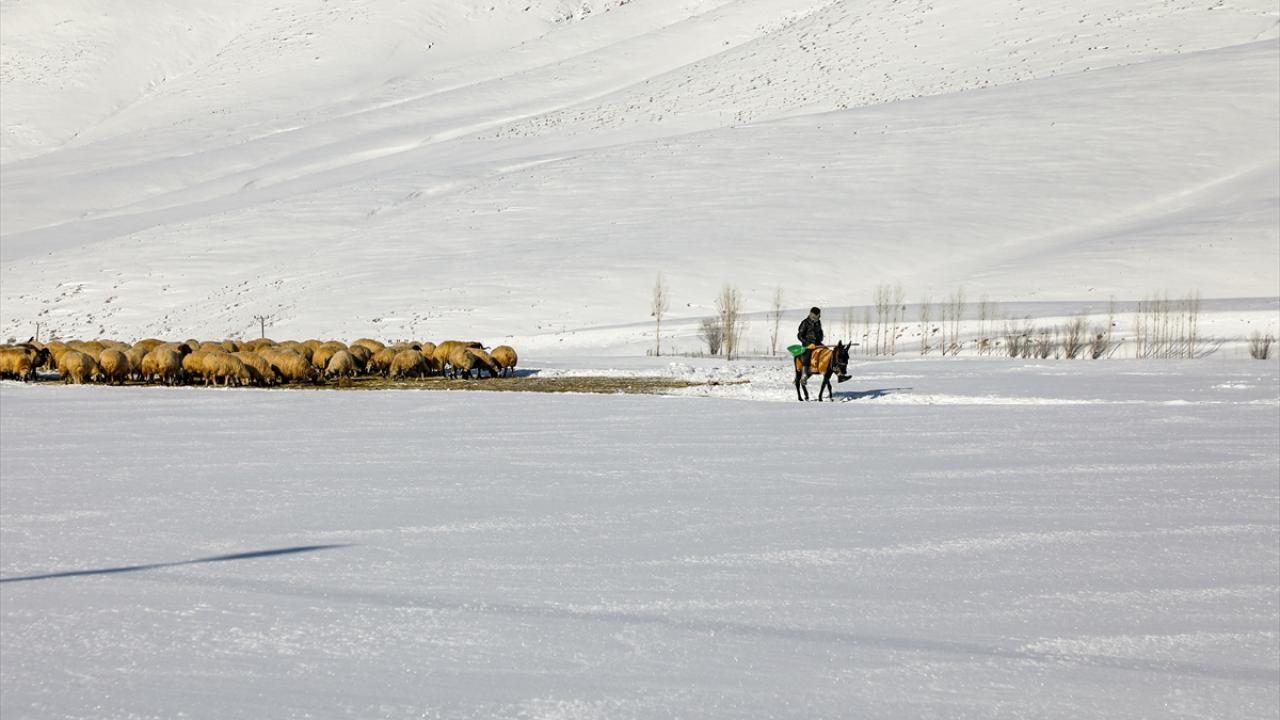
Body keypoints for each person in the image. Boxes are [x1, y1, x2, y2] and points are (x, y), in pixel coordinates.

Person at [797, 306, 824, 373]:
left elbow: (820, 331)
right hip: (807, 344)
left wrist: (820, 338)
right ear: (811, 314)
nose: (817, 318)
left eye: (818, 316)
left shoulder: (818, 322)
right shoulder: (805, 322)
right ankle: (805, 371)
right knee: (808, 355)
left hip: (817, 343)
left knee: (825, 351)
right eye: (815, 316)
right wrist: (807, 343)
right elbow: (800, 335)